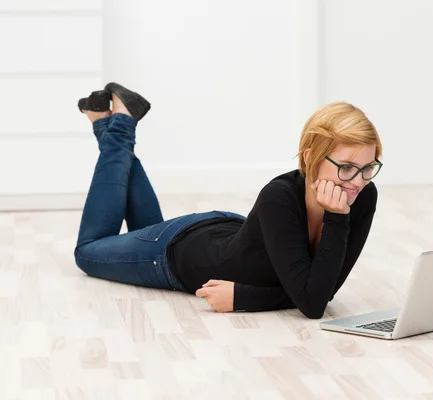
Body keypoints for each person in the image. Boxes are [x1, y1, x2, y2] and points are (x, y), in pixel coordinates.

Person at [74, 83, 383, 319]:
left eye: (368, 168)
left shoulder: (363, 196)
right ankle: (120, 125)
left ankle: (106, 123)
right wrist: (337, 219)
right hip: (171, 254)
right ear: (310, 157)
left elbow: (320, 295)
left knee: (135, 233)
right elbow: (313, 302)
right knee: (87, 252)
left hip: (223, 235)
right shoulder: (280, 196)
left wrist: (245, 297)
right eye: (346, 168)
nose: (357, 181)